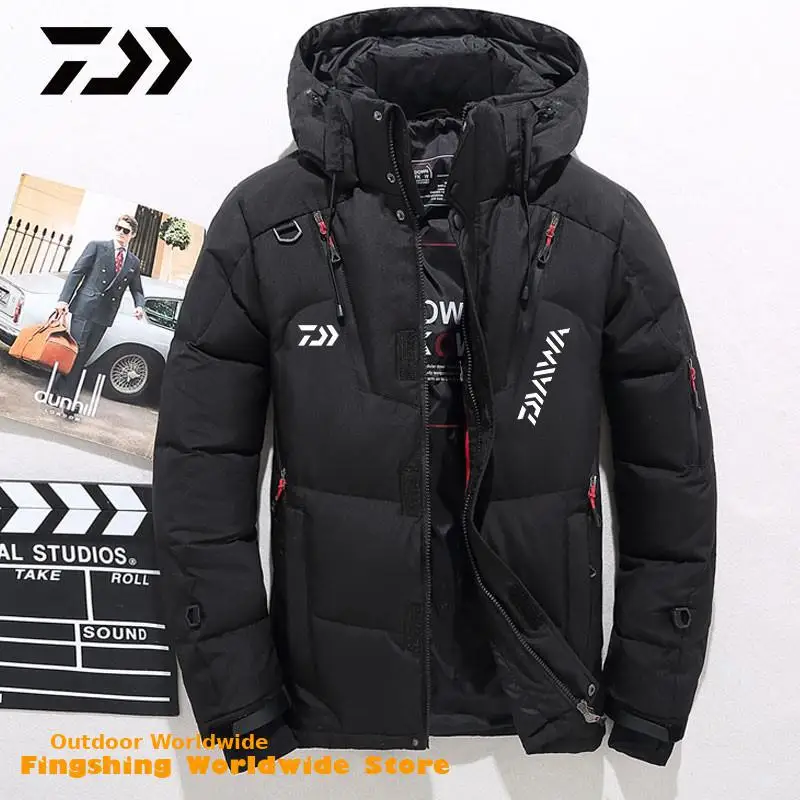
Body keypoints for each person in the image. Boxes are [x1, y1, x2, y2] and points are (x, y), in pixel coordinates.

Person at [50, 214, 145, 418]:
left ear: (133, 235)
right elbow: (77, 272)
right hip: (85, 308)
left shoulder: (133, 262)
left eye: (125, 230)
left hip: (104, 314)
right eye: (118, 228)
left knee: (83, 356)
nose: (120, 233)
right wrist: (63, 300)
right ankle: (68, 399)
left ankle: (56, 390)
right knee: (77, 351)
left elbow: (137, 288)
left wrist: (139, 306)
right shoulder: (97, 246)